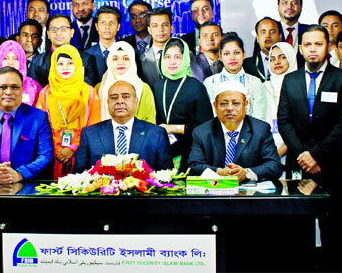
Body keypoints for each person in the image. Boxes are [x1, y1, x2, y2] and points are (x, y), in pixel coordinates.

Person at [276, 24, 342, 269]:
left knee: (337, 230)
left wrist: (316, 155)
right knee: (298, 228)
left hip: (331, 164)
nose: (313, 50)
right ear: (300, 48)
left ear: (329, 48)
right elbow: (284, 120)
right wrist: (302, 154)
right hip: (297, 164)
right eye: (308, 45)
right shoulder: (290, 80)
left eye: (318, 44)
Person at [188, 80, 282, 181]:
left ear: (245, 104)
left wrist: (247, 173)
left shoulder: (261, 129)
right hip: (216, 193)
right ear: (215, 106)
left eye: (236, 103)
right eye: (223, 104)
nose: (229, 108)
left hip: (250, 194)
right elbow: (193, 166)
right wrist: (218, 172)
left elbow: (274, 166)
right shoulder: (202, 132)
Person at [75, 80, 172, 172]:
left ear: (136, 102)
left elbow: (166, 177)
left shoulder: (156, 134)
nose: (120, 101)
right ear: (107, 103)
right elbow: (79, 176)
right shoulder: (90, 134)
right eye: (114, 97)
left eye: (126, 97)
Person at [36, 45, 101, 179]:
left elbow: (95, 125)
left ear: (78, 64)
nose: (65, 67)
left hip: (82, 153)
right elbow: (40, 127)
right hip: (52, 154)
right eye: (60, 64)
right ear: (54, 66)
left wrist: (73, 148)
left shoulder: (89, 93)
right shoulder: (46, 93)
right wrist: (59, 151)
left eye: (70, 63)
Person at [152, 38, 213, 173]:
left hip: (191, 151)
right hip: (162, 151)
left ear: (185, 59)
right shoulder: (157, 87)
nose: (172, 62)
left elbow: (206, 127)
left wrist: (174, 128)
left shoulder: (196, 87)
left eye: (177, 57)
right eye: (167, 57)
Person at [204, 32, 269, 121]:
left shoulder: (255, 83)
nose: (232, 58)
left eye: (237, 53)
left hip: (250, 133)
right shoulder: (210, 83)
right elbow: (209, 118)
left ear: (244, 55)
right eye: (227, 53)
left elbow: (259, 118)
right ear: (221, 57)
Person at [28, 14, 100, 88]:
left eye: (63, 28)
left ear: (72, 32)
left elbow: (89, 87)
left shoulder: (85, 59)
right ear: (48, 34)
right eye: (54, 29)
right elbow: (34, 89)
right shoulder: (37, 61)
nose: (58, 33)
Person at [96, 42, 156, 123]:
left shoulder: (143, 89)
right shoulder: (99, 88)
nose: (120, 63)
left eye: (126, 58)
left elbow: (149, 122)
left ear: (132, 61)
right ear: (109, 61)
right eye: (115, 59)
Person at [262, 42, 298, 175]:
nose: (277, 62)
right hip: (267, 153)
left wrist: (281, 151)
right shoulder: (263, 87)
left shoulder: (299, 86)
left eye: (282, 57)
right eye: (272, 59)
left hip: (294, 154)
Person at [0, 40, 42, 110]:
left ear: (22, 61)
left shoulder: (34, 87)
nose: (10, 62)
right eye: (6, 58)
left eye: (16, 58)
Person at [139, 7, 177, 86]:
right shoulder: (140, 59)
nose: (160, 30)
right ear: (149, 30)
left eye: (165, 25)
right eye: (155, 26)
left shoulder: (185, 55)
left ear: (171, 28)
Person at [85, 5, 122, 75]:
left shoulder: (126, 53)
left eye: (112, 23)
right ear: (96, 26)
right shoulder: (87, 54)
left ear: (118, 27)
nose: (107, 27)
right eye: (103, 23)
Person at [244, 17, 283, 81]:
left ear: (280, 36)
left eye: (272, 32)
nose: (268, 35)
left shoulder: (290, 62)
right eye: (263, 32)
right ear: (257, 37)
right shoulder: (246, 65)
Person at [276, 0, 307, 66]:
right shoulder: (269, 32)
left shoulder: (309, 31)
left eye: (294, 3)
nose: (289, 7)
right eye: (285, 3)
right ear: (278, 6)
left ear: (301, 6)